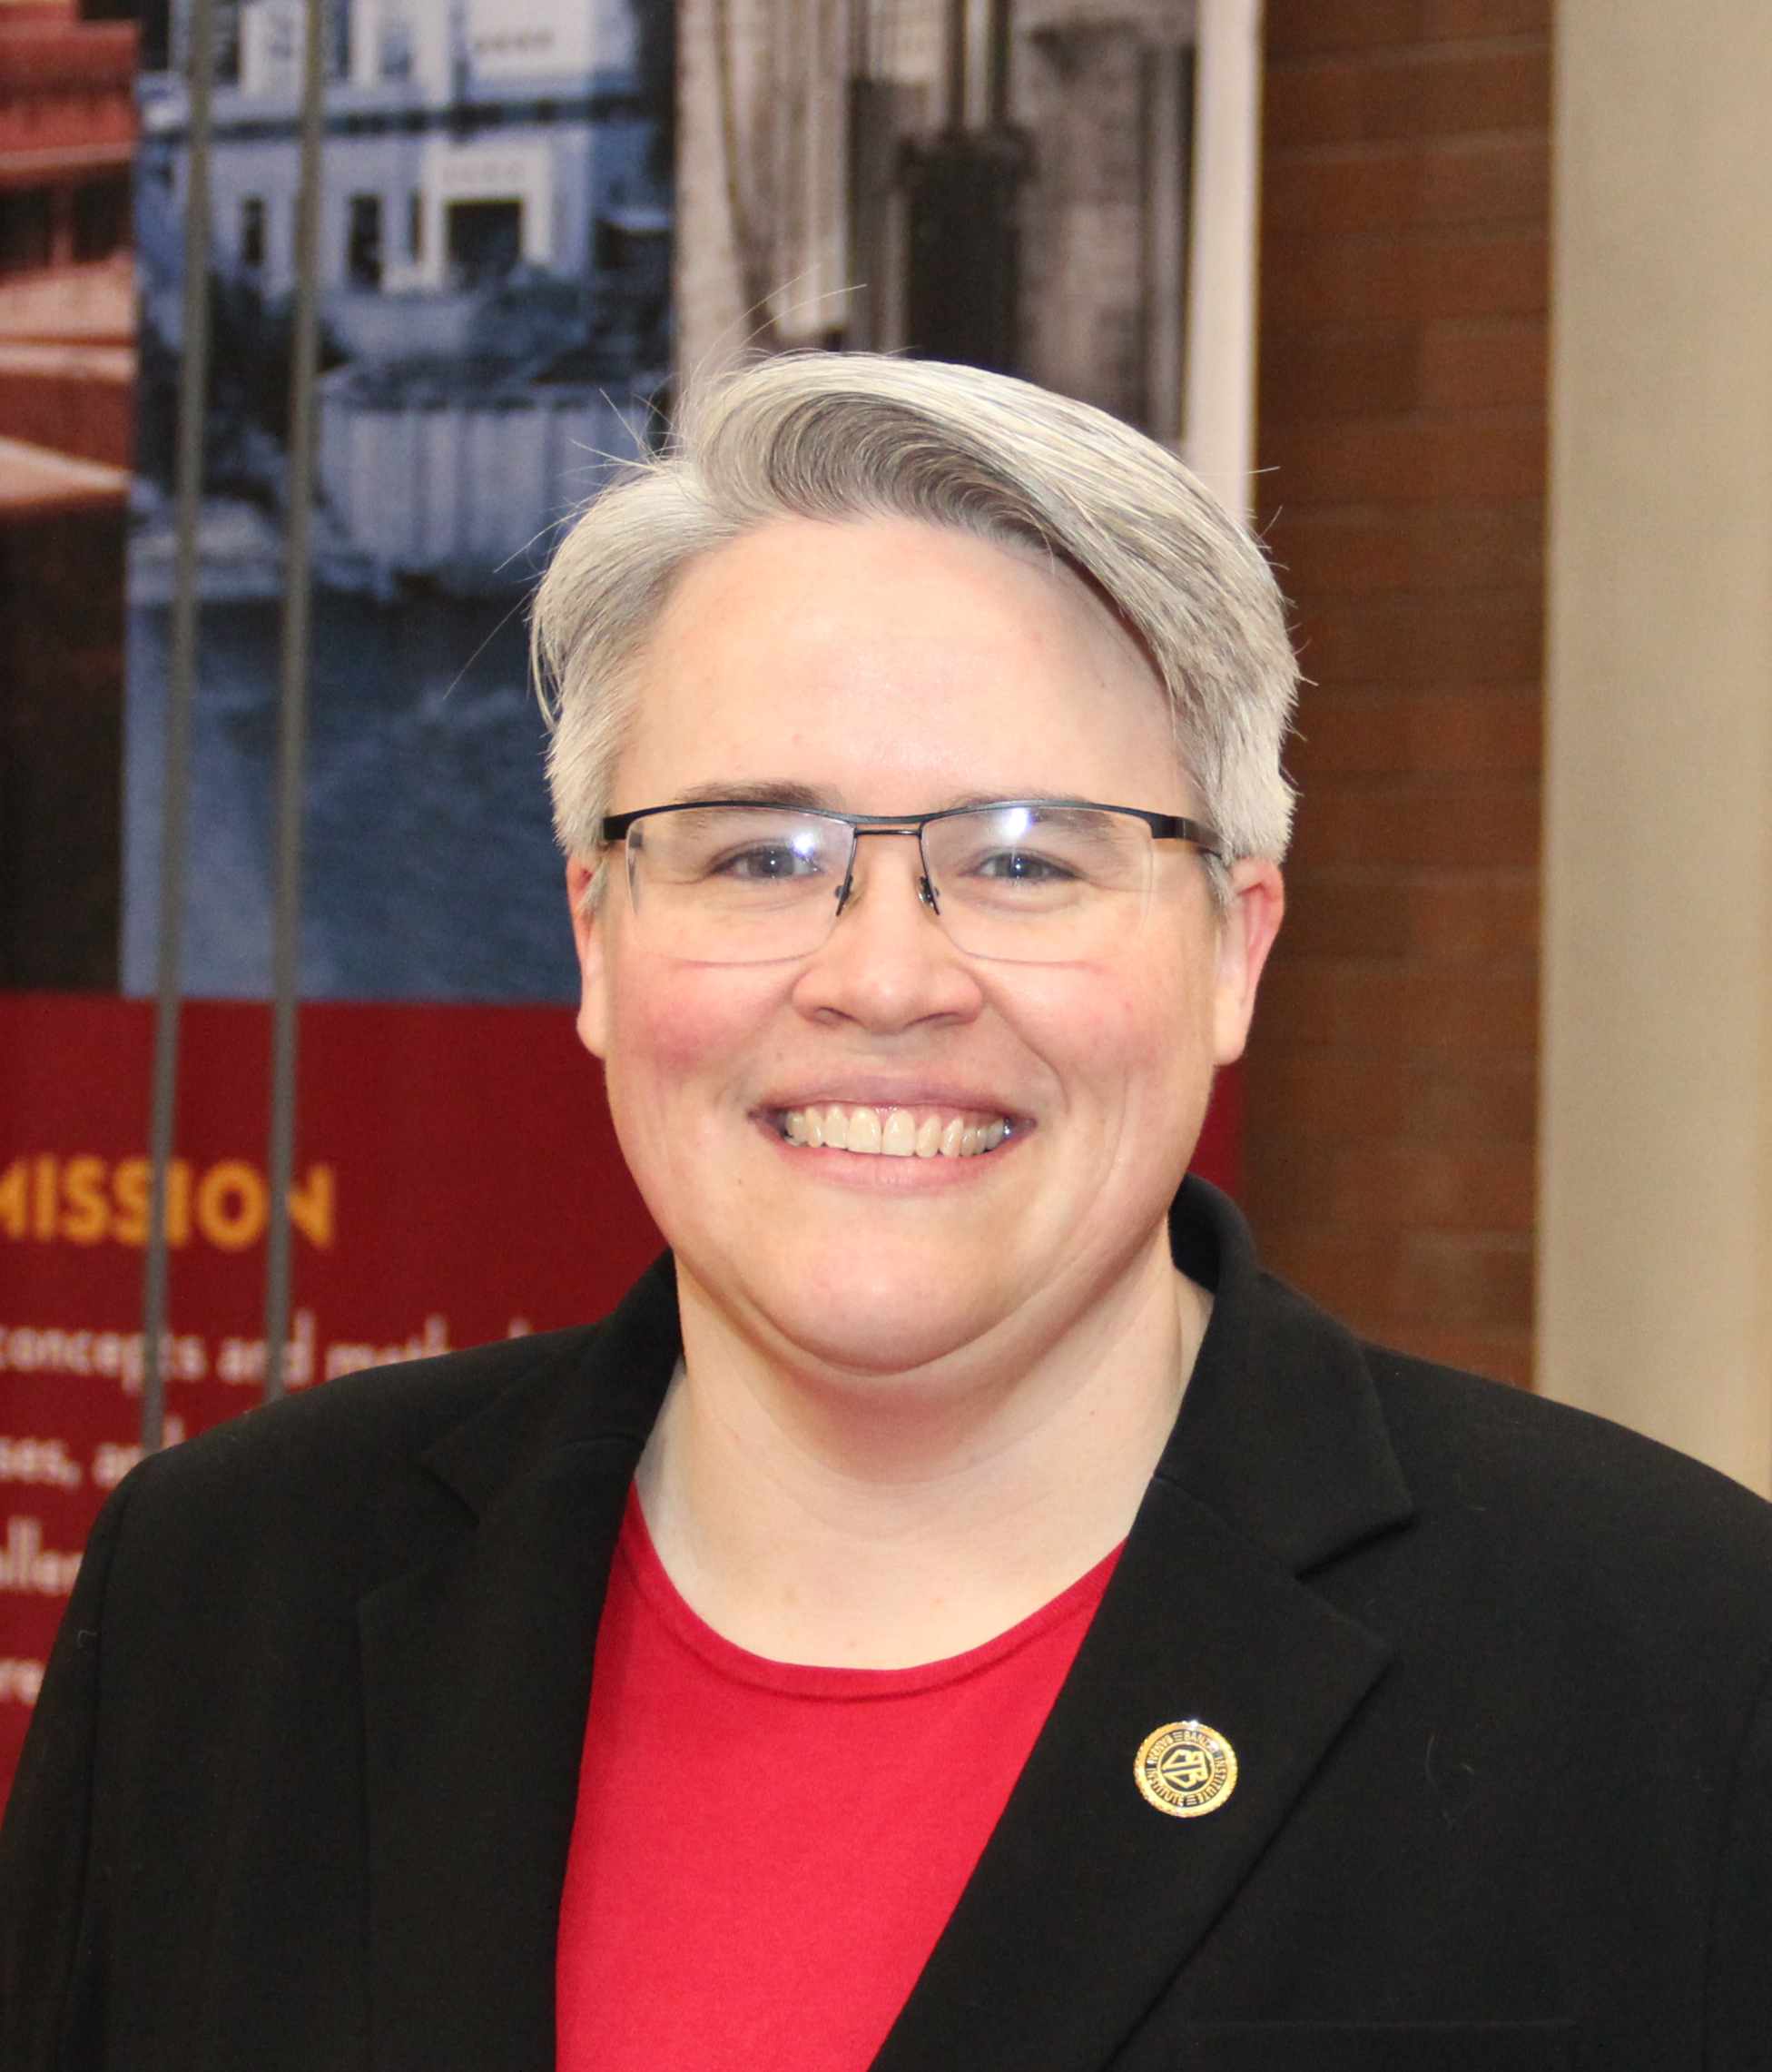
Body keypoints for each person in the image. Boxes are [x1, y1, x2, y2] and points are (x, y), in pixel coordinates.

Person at [4, 354, 1771, 2072]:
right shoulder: (222, 1602)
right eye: (756, 852)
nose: (883, 975)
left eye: (1022, 854)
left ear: (1235, 947)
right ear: (596, 937)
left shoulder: (1671, 1673)